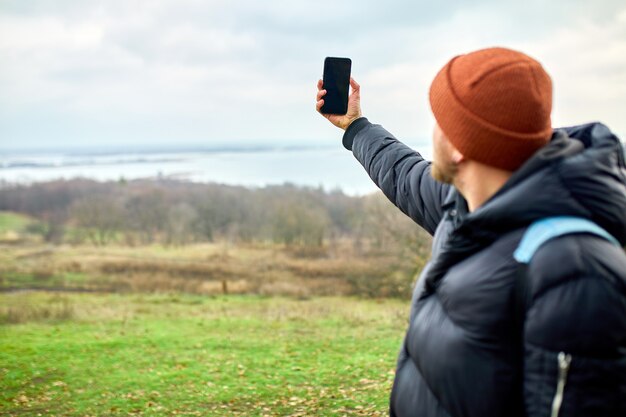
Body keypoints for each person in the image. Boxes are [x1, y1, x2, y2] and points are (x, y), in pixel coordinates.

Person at [316, 47, 626, 417]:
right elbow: (403, 175)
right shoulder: (468, 204)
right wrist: (355, 126)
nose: (433, 133)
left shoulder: (575, 272)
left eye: (440, 120)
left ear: (460, 146)